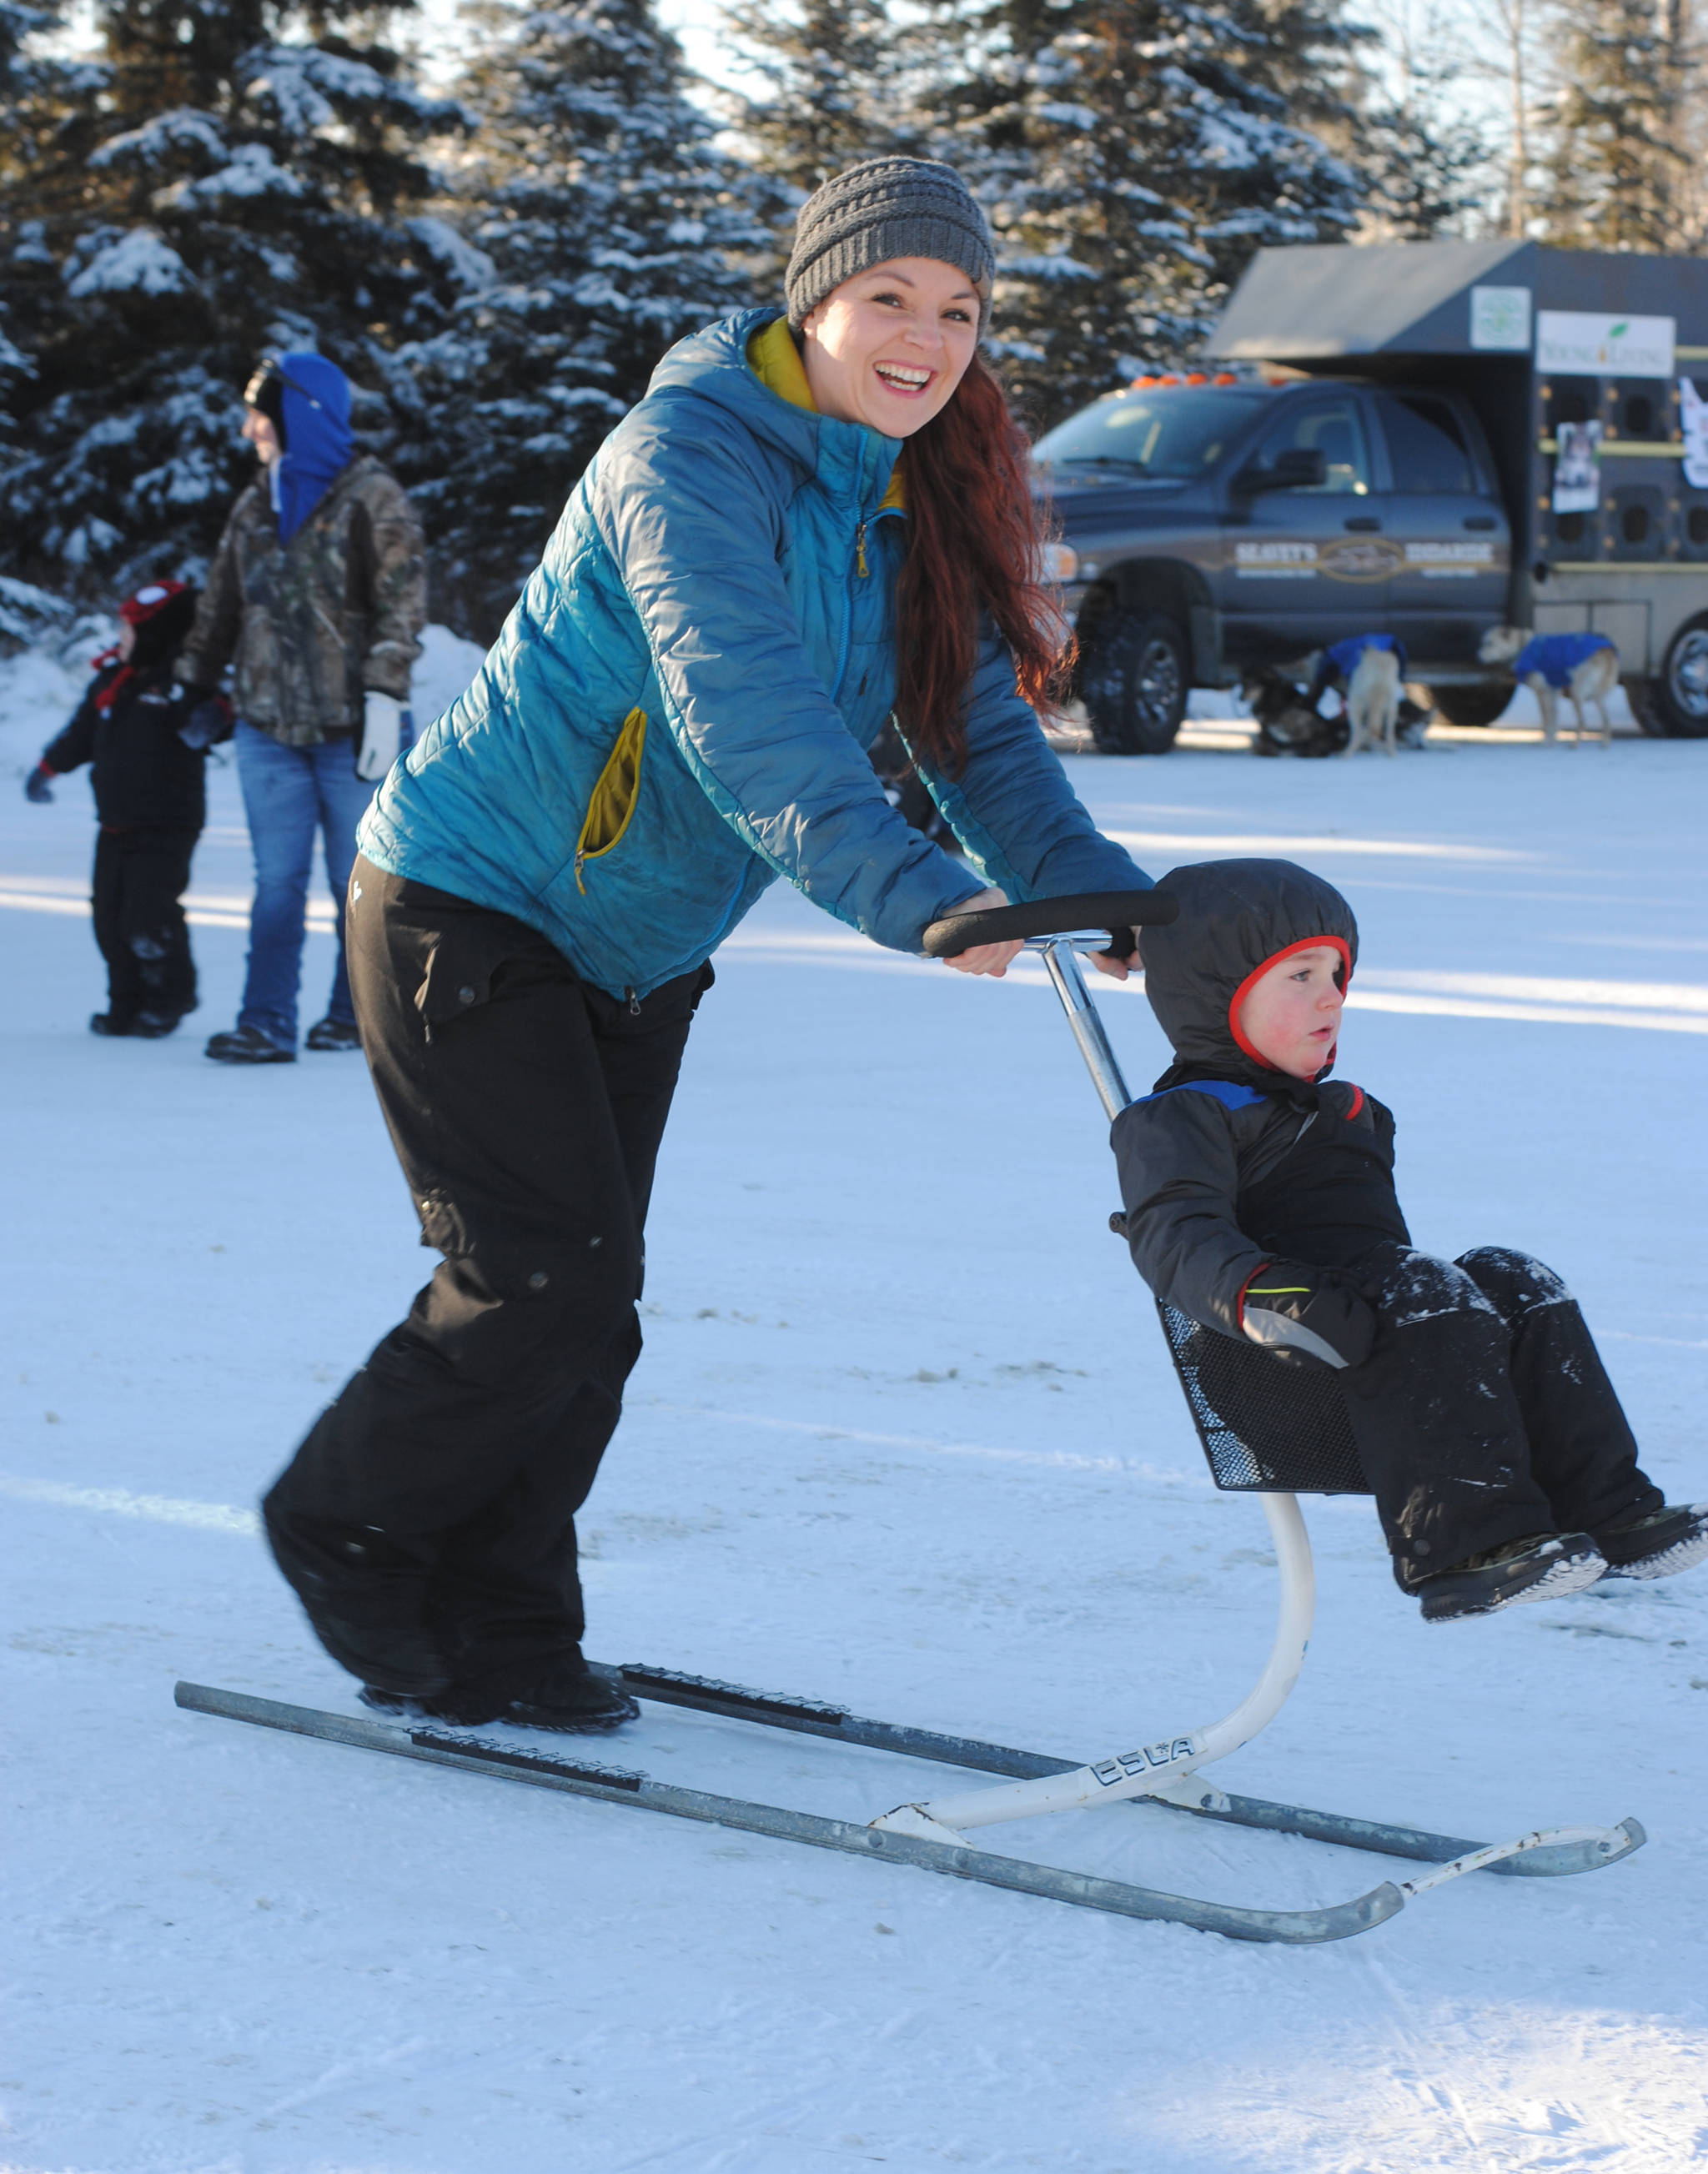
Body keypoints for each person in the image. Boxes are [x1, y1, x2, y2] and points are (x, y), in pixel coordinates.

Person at [260, 157, 1155, 1733]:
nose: (924, 339)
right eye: (888, 298)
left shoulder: (907, 489)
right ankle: (339, 1524)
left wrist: (1091, 885)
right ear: (810, 299)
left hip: (642, 942)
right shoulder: (683, 454)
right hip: (471, 895)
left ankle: (507, 1620)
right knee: (540, 1272)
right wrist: (914, 894)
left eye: (956, 311)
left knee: (589, 1303)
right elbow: (744, 714)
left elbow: (974, 729)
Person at [1113, 857, 1707, 1623]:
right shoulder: (1180, 1115)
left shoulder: (1345, 1108)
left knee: (1514, 1275)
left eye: (1337, 973)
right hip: (1277, 1361)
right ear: (1217, 991)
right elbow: (1172, 1233)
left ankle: (1609, 1510)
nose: (1331, 995)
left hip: (1395, 1365)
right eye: (1299, 976)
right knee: (1422, 1285)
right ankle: (1461, 1549)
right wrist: (1260, 1289)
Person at [176, 352, 428, 1064]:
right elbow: (222, 601)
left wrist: (385, 693)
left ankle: (357, 1017)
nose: (251, 425)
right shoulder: (259, 500)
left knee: (359, 884)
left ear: (303, 415)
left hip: (354, 730)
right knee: (275, 884)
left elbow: (401, 605)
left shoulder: (373, 498)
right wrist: (193, 683)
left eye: (264, 411)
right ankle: (265, 1021)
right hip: (267, 731)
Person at [24, 580, 227, 1037]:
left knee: (147, 915)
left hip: (168, 824)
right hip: (114, 824)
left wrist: (210, 717)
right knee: (108, 919)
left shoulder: (182, 684)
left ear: (155, 634)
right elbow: (80, 734)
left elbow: (219, 717)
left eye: (130, 630)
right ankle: (125, 1004)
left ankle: (170, 998)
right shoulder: (111, 682)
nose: (122, 639)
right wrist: (47, 768)